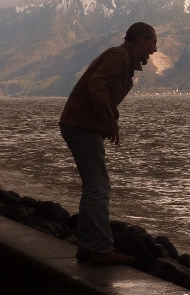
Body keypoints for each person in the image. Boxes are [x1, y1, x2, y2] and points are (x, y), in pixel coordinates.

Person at [59, 22, 157, 265]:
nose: (154, 50)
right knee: (98, 187)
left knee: (94, 186)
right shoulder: (119, 57)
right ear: (142, 41)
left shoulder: (122, 59)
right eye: (153, 42)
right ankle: (100, 248)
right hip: (82, 126)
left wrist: (110, 118)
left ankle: (87, 245)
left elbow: (101, 90)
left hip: (80, 125)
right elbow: (97, 86)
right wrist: (109, 120)